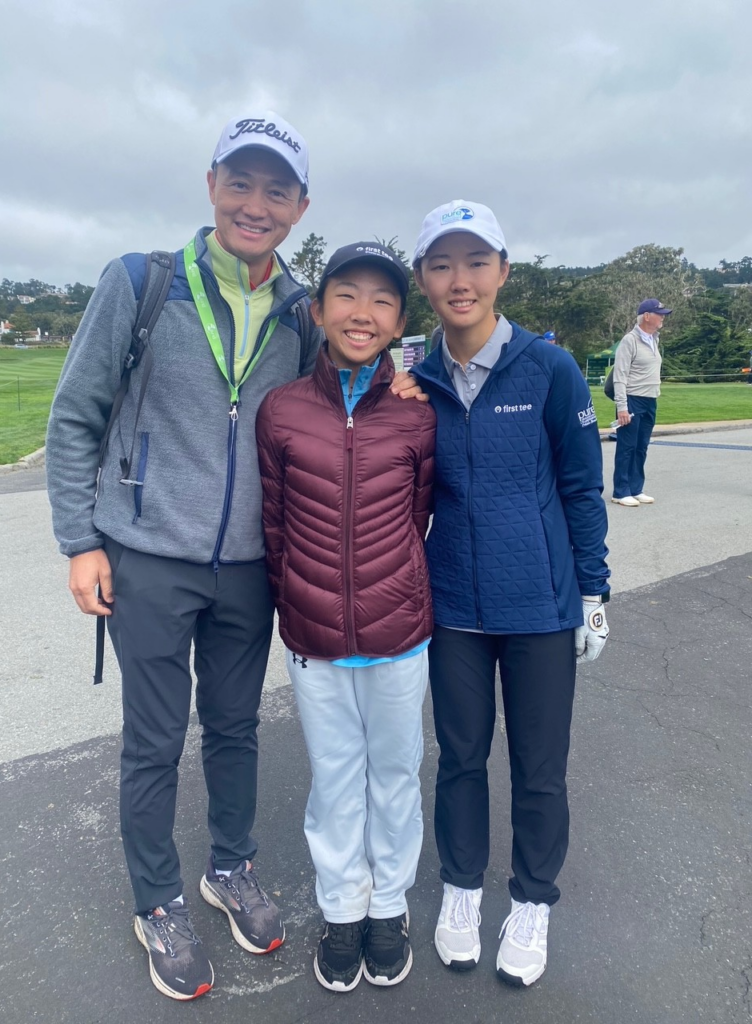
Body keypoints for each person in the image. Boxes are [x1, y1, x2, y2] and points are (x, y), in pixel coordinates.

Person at [45, 111, 420, 1001]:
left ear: (299, 206)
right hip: (146, 554)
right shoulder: (141, 283)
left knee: (236, 727)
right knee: (152, 737)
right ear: (212, 183)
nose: (257, 204)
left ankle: (230, 865)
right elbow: (75, 416)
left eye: (276, 190)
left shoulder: (303, 309)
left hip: (250, 566)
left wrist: (400, 368)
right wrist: (79, 542)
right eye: (241, 183)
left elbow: (354, 374)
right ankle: (158, 900)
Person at [410, 200, 611, 987]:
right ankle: (461, 891)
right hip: (452, 604)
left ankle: (532, 900)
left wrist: (595, 590)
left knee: (540, 765)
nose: (459, 281)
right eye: (441, 264)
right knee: (459, 757)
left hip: (540, 605)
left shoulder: (549, 369)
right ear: (424, 277)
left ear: (502, 270)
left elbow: (581, 489)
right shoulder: (415, 378)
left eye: (475, 262)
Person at [256, 242, 436, 992]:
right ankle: (341, 909)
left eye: (383, 301)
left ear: (399, 321)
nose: (364, 313)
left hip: (399, 636)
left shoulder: (416, 416)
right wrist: (298, 605)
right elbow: (274, 525)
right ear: (320, 309)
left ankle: (387, 905)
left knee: (395, 775)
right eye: (348, 296)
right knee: (334, 781)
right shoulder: (283, 409)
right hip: (314, 639)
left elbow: (418, 513)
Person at [610, 299, 672, 506]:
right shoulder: (630, 340)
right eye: (659, 313)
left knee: (641, 446)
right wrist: (622, 407)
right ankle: (621, 491)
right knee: (627, 446)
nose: (663, 317)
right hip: (632, 399)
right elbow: (620, 376)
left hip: (650, 399)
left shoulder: (655, 338)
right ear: (647, 316)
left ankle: (636, 488)